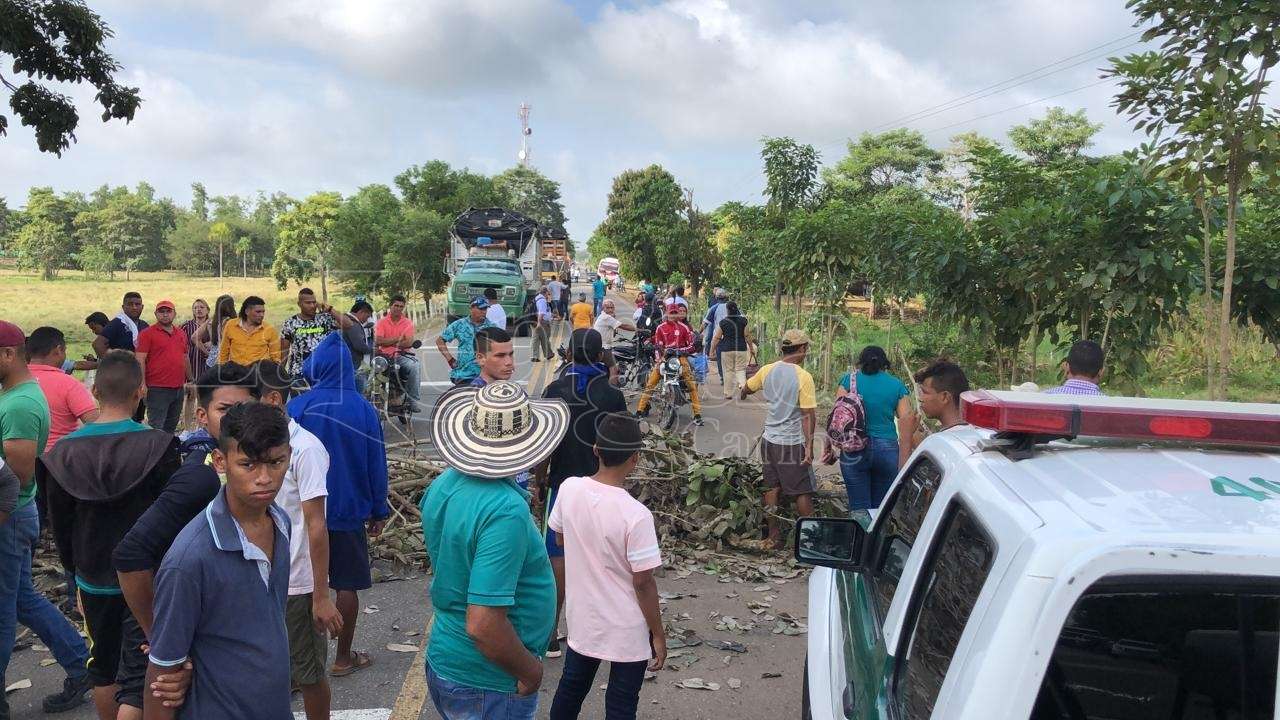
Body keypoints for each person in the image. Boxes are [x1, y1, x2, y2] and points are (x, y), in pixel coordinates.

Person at [39, 351, 180, 720]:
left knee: (103, 668)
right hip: (150, 578)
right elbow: (174, 521)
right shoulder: (161, 445)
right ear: (141, 392)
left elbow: (60, 525)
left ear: (96, 391)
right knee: (145, 671)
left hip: (92, 576)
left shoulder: (62, 453)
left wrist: (76, 580)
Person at [420, 382, 567, 719]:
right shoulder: (504, 511)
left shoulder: (444, 485)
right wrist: (530, 671)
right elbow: (483, 624)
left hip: (449, 656)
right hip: (487, 679)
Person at [143, 402, 293, 720]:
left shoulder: (280, 521)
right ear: (221, 461)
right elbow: (162, 677)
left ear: (288, 456)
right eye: (248, 465)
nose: (264, 478)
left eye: (276, 462)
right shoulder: (189, 560)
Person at [114, 363, 258, 640]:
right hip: (196, 626)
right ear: (202, 416)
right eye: (225, 410)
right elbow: (130, 553)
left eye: (247, 407)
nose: (239, 419)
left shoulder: (253, 467)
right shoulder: (202, 475)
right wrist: (159, 634)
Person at [0, 320, 93, 716]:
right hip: (19, 514)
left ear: (8, 354)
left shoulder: (20, 404)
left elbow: (17, 478)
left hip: (9, 517)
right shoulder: (13, 394)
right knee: (21, 599)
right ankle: (80, 662)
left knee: (3, 612)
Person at [547, 414, 665, 720]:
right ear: (635, 459)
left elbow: (559, 538)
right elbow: (643, 583)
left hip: (584, 619)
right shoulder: (636, 515)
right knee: (621, 705)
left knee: (571, 690)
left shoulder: (569, 489)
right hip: (626, 628)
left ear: (596, 449)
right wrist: (658, 634)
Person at [288, 332, 388, 679]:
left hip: (303, 512)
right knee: (346, 584)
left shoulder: (298, 407)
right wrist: (378, 510)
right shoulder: (363, 408)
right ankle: (343, 657)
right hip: (347, 512)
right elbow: (376, 463)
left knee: (302, 586)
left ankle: (299, 664)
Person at [255, 362, 342, 720]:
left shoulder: (305, 449)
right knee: (271, 669)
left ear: (273, 398)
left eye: (250, 399)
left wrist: (320, 596)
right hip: (262, 579)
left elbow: (316, 526)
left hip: (297, 584)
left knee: (308, 674)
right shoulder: (259, 448)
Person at [538, 329, 627, 658]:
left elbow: (543, 447)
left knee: (556, 558)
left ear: (569, 354)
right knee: (600, 557)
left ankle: (549, 631)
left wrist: (540, 479)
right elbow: (621, 443)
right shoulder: (611, 394)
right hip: (602, 486)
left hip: (562, 486)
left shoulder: (555, 390)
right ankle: (597, 633)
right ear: (600, 354)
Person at [740, 330, 818, 549]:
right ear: (801, 349)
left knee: (771, 488)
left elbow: (747, 387)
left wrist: (742, 392)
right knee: (802, 491)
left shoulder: (767, 370)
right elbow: (807, 416)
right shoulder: (803, 377)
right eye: (806, 349)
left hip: (769, 440)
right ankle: (810, 544)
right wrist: (809, 446)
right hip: (790, 443)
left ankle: (773, 537)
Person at [836, 346, 913, 511]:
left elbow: (838, 417)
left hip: (853, 447)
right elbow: (907, 420)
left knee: (859, 508)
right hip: (887, 449)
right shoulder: (896, 385)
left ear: (860, 362)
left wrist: (831, 444)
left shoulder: (848, 380)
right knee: (881, 509)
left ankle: (860, 535)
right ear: (884, 364)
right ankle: (877, 535)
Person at [26, 326, 99, 449]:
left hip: (17, 459)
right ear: (59, 350)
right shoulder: (69, 384)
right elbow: (97, 426)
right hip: (59, 459)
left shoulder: (12, 380)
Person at [635, 306, 703, 426]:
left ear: (678, 315)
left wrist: (679, 351)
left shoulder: (684, 328)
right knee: (650, 384)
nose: (673, 315)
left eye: (675, 313)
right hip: (664, 358)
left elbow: (691, 346)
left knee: (691, 385)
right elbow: (657, 346)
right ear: (666, 313)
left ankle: (697, 415)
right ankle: (639, 411)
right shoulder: (660, 328)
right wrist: (659, 359)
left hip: (680, 358)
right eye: (671, 313)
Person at [136, 300, 191, 433]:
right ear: (156, 314)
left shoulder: (181, 333)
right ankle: (155, 453)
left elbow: (185, 357)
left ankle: (168, 453)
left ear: (174, 314)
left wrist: (190, 380)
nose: (165, 315)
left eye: (168, 311)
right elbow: (140, 359)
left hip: (178, 387)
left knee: (171, 427)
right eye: (161, 311)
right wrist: (142, 384)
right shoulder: (147, 334)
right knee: (157, 427)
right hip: (157, 388)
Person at [280, 287, 349, 379]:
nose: (312, 306)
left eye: (314, 302)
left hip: (323, 372)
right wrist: (281, 375)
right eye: (308, 303)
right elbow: (284, 351)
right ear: (299, 304)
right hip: (299, 373)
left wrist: (330, 309)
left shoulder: (325, 319)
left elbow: (348, 324)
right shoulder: (290, 323)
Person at [373, 295, 421, 411]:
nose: (398, 308)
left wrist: (388, 341)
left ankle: (412, 400)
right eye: (396, 305)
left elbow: (409, 342)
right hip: (384, 357)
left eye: (401, 306)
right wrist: (399, 338)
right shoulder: (382, 322)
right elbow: (378, 340)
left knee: (415, 366)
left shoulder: (407, 323)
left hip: (401, 356)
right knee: (368, 373)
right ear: (391, 306)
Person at [436, 297, 497, 386]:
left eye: (486, 309)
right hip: (463, 375)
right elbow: (440, 341)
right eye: (481, 308)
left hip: (485, 375)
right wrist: (450, 359)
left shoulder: (492, 327)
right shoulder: (459, 325)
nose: (484, 311)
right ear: (471, 308)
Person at [912, 360, 971, 442]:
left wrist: (905, 436)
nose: (920, 398)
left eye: (925, 392)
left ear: (944, 397)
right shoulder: (977, 432)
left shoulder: (942, 440)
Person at [217, 295, 280, 366]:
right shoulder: (231, 325)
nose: (262, 315)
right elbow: (224, 352)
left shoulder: (270, 330)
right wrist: (221, 370)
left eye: (263, 312)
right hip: (236, 374)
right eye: (258, 312)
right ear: (247, 311)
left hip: (259, 373)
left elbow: (276, 358)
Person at [709, 301, 753, 400]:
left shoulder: (723, 322)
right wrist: (751, 347)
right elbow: (747, 335)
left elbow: (716, 338)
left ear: (727, 310)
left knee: (728, 371)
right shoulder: (743, 321)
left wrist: (711, 351)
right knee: (740, 369)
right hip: (741, 348)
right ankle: (742, 386)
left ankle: (728, 393)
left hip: (726, 349)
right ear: (737, 309)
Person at [179, 299, 211, 429]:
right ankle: (187, 428)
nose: (199, 310)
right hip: (191, 364)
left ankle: (201, 427)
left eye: (202, 307)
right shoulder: (186, 326)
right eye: (196, 307)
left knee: (204, 398)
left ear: (207, 310)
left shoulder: (212, 325)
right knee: (190, 397)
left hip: (207, 365)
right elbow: (181, 343)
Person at [593, 298, 636, 384]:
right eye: (608, 308)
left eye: (612, 308)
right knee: (613, 368)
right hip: (603, 347)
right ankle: (613, 389)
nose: (610, 309)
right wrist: (637, 329)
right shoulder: (606, 317)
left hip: (600, 346)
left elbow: (613, 331)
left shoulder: (604, 317)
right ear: (603, 308)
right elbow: (623, 326)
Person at [93, 292, 149, 357]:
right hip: (122, 365)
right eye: (130, 304)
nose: (134, 307)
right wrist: (111, 363)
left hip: (140, 365)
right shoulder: (117, 323)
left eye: (137, 304)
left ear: (142, 307)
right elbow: (97, 344)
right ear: (123, 307)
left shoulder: (144, 325)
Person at [196, 295, 236, 371]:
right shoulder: (230, 322)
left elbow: (195, 337)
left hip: (211, 362)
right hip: (224, 362)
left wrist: (209, 353)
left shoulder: (212, 321)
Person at [532, 287, 554, 363]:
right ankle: (549, 354)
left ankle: (535, 356)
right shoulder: (542, 300)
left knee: (536, 338)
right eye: (548, 293)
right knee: (545, 338)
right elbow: (541, 313)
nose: (548, 295)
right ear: (545, 293)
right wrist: (539, 323)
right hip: (542, 322)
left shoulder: (537, 298)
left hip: (535, 320)